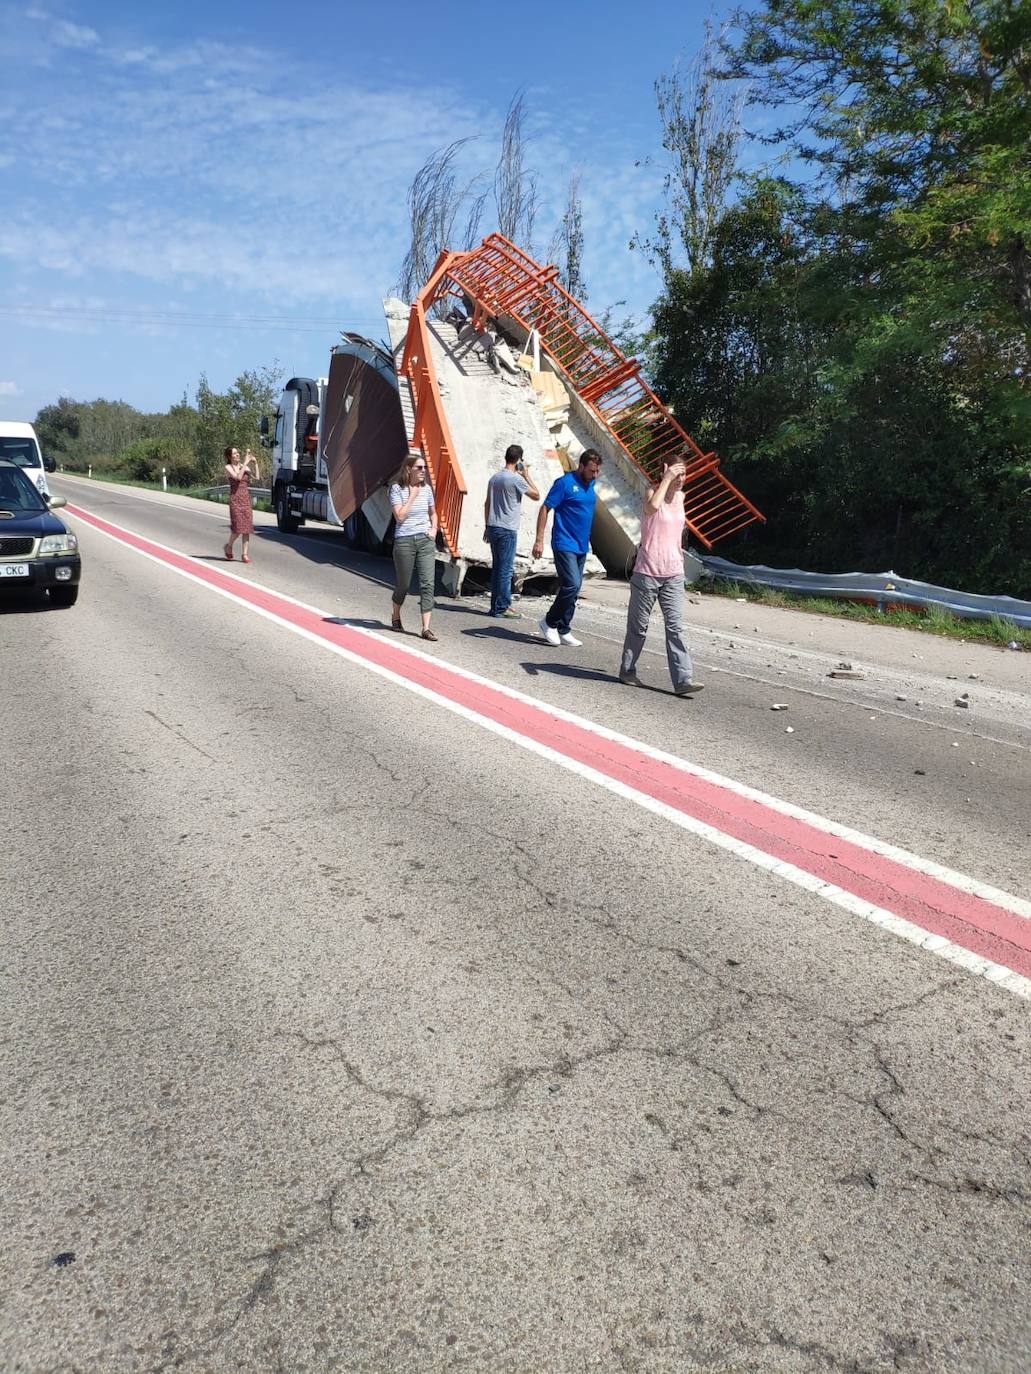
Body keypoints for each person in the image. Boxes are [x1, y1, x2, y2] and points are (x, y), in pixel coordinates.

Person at [618, 459, 704, 697]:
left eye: (684, 475)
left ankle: (683, 679)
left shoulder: (682, 498)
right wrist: (666, 479)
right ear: (665, 472)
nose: (681, 479)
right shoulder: (650, 494)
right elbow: (651, 509)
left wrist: (674, 481)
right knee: (639, 628)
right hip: (647, 572)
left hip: (674, 573)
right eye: (677, 474)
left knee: (675, 628)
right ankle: (627, 670)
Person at [532, 448, 602, 647]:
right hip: (564, 542)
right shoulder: (564, 483)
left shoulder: (591, 483)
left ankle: (563, 628)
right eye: (591, 471)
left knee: (575, 587)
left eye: (597, 471)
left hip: (581, 544)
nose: (595, 475)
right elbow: (545, 508)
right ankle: (549, 622)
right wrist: (539, 540)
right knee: (571, 584)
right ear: (580, 466)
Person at [484, 443, 540, 617]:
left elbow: (487, 503)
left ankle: (495, 606)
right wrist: (527, 475)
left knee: (497, 568)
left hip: (493, 526)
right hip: (507, 528)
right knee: (506, 570)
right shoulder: (516, 479)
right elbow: (536, 495)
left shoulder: (494, 478)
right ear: (519, 460)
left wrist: (487, 526)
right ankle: (502, 607)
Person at [389, 453, 439, 641]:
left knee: (428, 584)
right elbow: (400, 517)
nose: (423, 471)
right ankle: (395, 615)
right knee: (404, 584)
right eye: (419, 468)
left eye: (424, 468)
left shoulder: (426, 489)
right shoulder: (396, 488)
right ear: (409, 469)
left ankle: (426, 628)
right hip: (405, 541)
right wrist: (412, 496)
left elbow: (433, 513)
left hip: (425, 540)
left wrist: (434, 529)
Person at [224, 446, 259, 563]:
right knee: (238, 528)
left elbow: (257, 478)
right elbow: (238, 477)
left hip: (245, 499)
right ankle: (229, 546)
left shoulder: (244, 466)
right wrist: (245, 462)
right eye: (234, 453)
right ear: (230, 456)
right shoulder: (228, 467)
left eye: (238, 452)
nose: (237, 454)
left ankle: (245, 554)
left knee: (247, 528)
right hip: (235, 499)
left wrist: (255, 463)